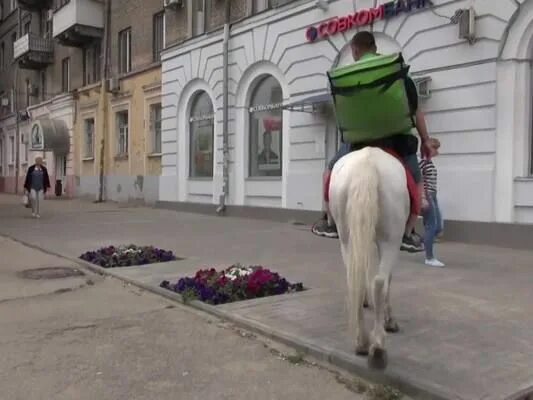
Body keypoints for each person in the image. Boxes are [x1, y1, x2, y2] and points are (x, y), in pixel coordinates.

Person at [312, 31, 432, 253]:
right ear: (375, 48)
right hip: (397, 140)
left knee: (330, 172)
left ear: (355, 50)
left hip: (357, 141)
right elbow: (416, 112)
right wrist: (425, 140)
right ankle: (409, 232)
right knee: (416, 181)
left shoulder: (349, 73)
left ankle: (329, 222)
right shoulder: (397, 73)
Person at [420, 138, 445, 267]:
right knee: (432, 225)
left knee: (438, 227)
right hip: (428, 195)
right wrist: (423, 198)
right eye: (435, 148)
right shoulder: (423, 163)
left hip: (433, 196)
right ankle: (429, 258)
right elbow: (419, 181)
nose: (437, 151)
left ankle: (423, 241)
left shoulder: (430, 163)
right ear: (428, 149)